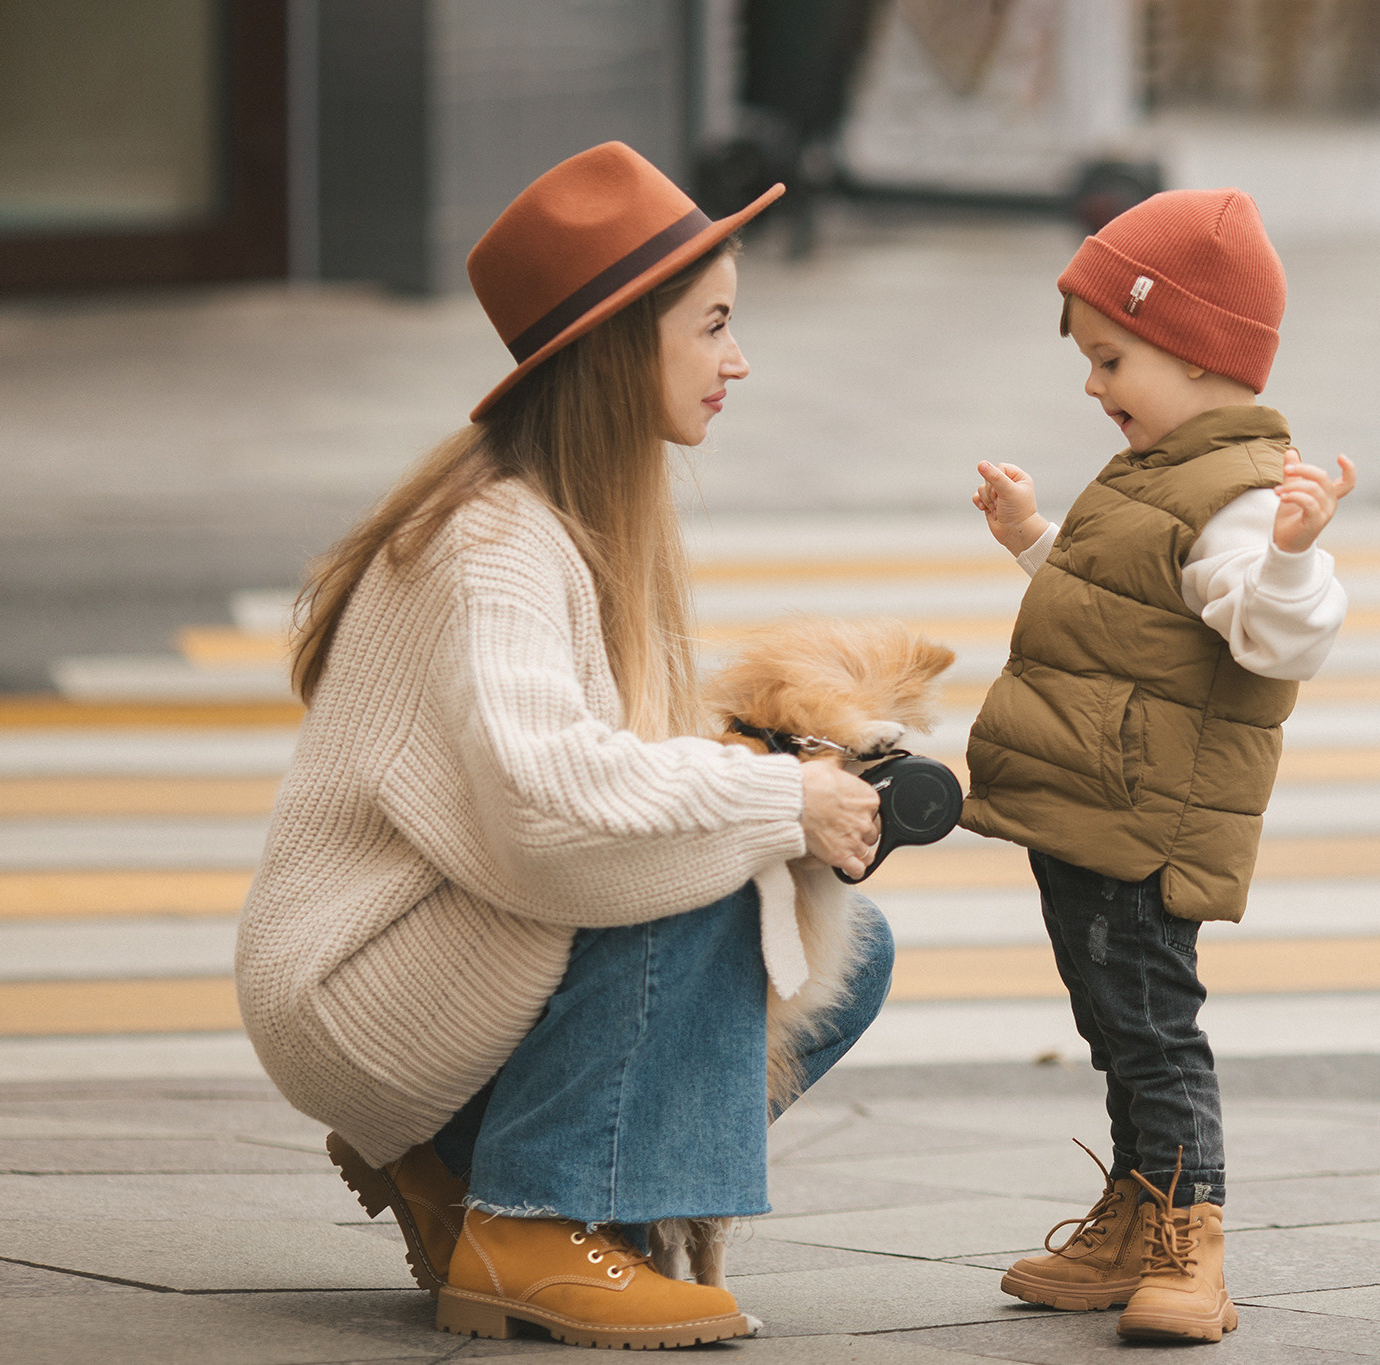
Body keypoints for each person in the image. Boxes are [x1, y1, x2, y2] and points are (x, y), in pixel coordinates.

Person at [234, 143, 893, 1351]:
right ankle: (531, 1221)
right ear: (615, 345)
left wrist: (789, 780)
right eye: (711, 327)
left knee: (844, 938)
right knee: (722, 866)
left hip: (453, 938)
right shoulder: (494, 545)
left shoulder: (579, 520)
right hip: (357, 976)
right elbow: (553, 815)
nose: (736, 359)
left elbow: (589, 789)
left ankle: (474, 1171)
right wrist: (773, 801)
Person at [963, 189, 1355, 1343]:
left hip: (1147, 819)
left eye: (1109, 358)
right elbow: (1115, 617)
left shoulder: (1238, 499)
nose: (1092, 386)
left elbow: (1282, 636)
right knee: (1115, 1022)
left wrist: (1288, 558)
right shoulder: (1151, 477)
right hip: (1094, 809)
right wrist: (1031, 540)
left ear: (1188, 350)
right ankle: (1136, 1217)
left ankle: (1191, 1239)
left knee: (1150, 1027)